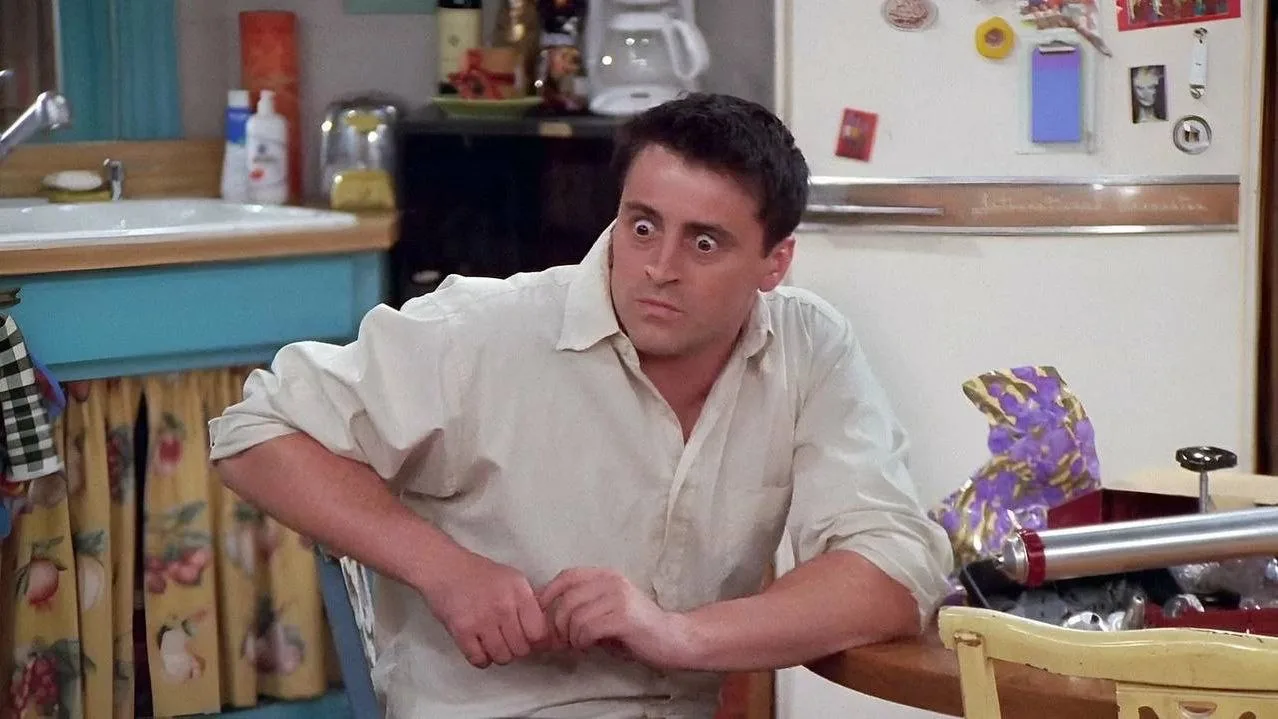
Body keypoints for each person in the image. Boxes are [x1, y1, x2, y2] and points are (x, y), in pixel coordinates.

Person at [208, 92, 954, 719]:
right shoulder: (485, 329)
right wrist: (446, 569)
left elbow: (894, 563)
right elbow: (256, 432)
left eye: (704, 244)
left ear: (775, 262)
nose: (659, 268)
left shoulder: (808, 345)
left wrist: (679, 635)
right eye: (642, 226)